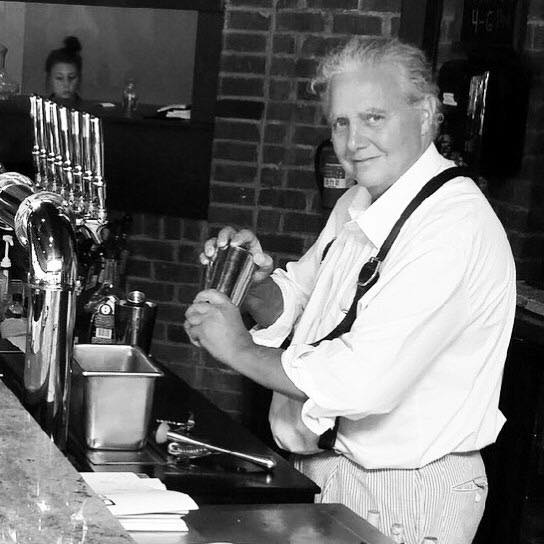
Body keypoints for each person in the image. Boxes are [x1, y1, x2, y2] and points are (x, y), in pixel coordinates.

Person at [184, 37, 516, 544]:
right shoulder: (361, 201)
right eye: (341, 122)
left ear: (426, 114)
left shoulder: (452, 225)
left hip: (406, 495)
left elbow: (359, 381)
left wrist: (238, 349)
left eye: (374, 118)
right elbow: (302, 302)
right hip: (329, 472)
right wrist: (252, 286)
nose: (353, 141)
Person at [45, 36, 82, 106]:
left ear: (79, 78)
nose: (66, 84)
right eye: (59, 78)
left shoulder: (89, 112)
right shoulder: (39, 111)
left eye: (71, 77)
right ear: (49, 79)